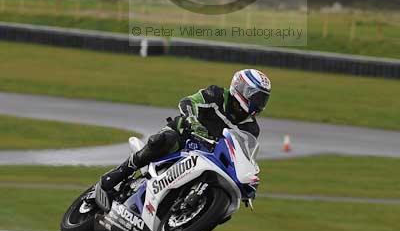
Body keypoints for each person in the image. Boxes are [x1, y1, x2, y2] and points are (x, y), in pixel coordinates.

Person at [99, 68, 271, 195]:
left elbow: (244, 154)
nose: (259, 103)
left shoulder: (251, 128)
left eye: (263, 99)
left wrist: (248, 177)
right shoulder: (216, 95)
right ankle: (121, 171)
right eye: (255, 96)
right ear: (240, 87)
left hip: (210, 156)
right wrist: (193, 122)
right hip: (185, 135)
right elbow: (187, 102)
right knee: (164, 140)